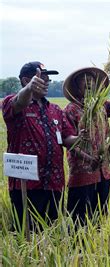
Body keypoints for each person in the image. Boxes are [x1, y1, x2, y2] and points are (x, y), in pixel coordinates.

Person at [2, 62, 78, 230]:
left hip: (54, 182)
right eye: (42, 79)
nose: (47, 82)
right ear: (25, 80)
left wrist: (81, 138)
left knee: (51, 231)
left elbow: (67, 138)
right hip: (27, 185)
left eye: (47, 79)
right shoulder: (13, 104)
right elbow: (18, 102)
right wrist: (29, 88)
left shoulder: (55, 110)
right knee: (26, 232)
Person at [62, 64, 110, 224]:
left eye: (91, 80)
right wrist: (89, 158)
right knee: (79, 216)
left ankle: (97, 242)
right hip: (83, 170)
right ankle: (77, 246)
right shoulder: (71, 109)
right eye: (83, 80)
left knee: (101, 212)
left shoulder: (102, 105)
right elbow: (68, 141)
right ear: (76, 85)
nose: (88, 83)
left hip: (104, 168)